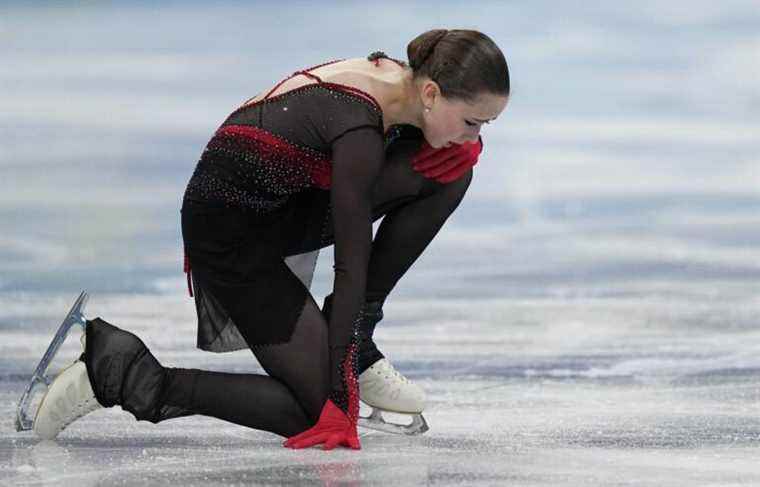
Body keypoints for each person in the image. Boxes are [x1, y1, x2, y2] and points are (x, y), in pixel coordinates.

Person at [30, 28, 510, 450]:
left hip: (283, 206)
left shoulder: (399, 83)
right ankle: (121, 374)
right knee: (315, 412)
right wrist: (342, 396)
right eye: (472, 122)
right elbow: (350, 265)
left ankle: (357, 342)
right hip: (229, 236)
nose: (474, 136)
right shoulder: (357, 127)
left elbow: (438, 144)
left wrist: (349, 353)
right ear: (430, 93)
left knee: (453, 169)